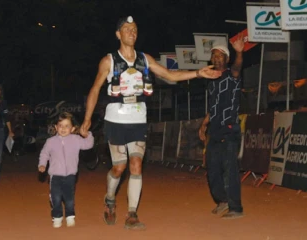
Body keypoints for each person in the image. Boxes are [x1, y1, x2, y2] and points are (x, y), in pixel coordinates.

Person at [79, 16, 221, 230]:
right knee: (119, 168)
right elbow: (95, 88)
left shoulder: (145, 59)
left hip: (138, 120)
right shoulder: (109, 60)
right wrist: (87, 118)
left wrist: (198, 72)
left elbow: (170, 76)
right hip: (115, 120)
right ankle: (110, 198)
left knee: (136, 165)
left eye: (135, 29)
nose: (132, 32)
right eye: (127, 29)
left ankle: (132, 214)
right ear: (118, 34)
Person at [198, 36, 245, 219]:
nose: (217, 58)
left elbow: (237, 67)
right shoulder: (212, 82)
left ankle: (236, 207)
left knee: (230, 167)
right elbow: (213, 107)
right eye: (214, 56)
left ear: (226, 59)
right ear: (211, 59)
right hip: (215, 130)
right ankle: (222, 201)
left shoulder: (231, 76)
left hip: (230, 128)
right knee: (212, 168)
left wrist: (239, 52)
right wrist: (204, 124)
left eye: (221, 56)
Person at [38, 112, 94, 228]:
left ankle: (70, 216)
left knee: (69, 198)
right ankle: (57, 217)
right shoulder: (51, 142)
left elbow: (88, 145)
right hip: (55, 175)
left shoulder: (76, 139)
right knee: (56, 197)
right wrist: (42, 164)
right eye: (60, 125)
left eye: (67, 126)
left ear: (73, 128)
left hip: (70, 175)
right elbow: (44, 154)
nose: (63, 128)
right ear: (55, 127)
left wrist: (87, 134)